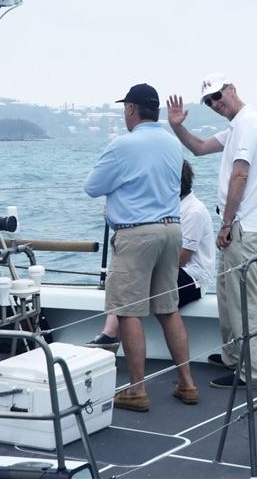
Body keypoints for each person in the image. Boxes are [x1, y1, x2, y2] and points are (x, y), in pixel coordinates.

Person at [84, 83, 198, 412]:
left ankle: (137, 389)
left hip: (136, 234)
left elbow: (92, 187)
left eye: (125, 109)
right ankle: (187, 384)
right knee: (168, 309)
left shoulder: (123, 145)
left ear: (132, 109)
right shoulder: (172, 144)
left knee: (128, 311)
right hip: (171, 230)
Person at [167, 73, 257, 390]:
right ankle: (233, 357)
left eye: (217, 96)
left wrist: (227, 224)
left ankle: (250, 373)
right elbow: (199, 148)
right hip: (238, 223)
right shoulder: (237, 126)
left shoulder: (248, 123)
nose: (215, 103)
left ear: (231, 89)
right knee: (228, 296)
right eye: (209, 101)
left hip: (243, 225)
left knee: (243, 299)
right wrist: (176, 126)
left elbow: (240, 174)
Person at [86, 159, 215, 352]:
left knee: (133, 282)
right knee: (128, 278)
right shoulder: (167, 207)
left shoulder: (193, 211)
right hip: (171, 268)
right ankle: (109, 335)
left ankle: (110, 336)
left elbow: (181, 258)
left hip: (192, 277)